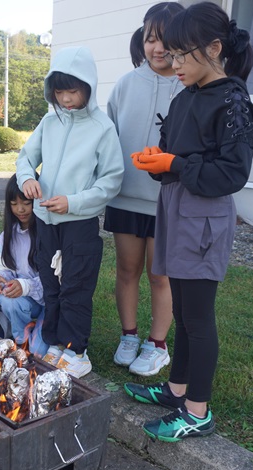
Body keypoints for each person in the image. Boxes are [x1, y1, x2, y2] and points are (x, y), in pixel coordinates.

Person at [124, 2, 253, 441]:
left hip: (203, 216)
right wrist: (156, 164)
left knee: (198, 318)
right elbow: (174, 156)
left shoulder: (233, 99)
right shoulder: (185, 98)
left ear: (214, 48)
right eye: (171, 54)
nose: (173, 63)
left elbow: (231, 175)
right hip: (173, 208)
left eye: (182, 54)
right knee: (182, 313)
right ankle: (176, 390)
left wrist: (175, 164)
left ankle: (197, 412)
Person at [17, 46, 124, 379]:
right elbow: (25, 156)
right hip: (46, 221)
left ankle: (77, 351)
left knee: (76, 285)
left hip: (79, 224)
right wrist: (27, 180)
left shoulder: (102, 127)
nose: (65, 98)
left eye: (73, 90)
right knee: (51, 284)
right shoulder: (50, 121)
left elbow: (111, 180)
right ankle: (54, 341)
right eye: (59, 91)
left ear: (89, 87)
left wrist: (73, 202)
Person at [106, 2, 185, 377]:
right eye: (152, 38)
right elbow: (107, 138)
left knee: (160, 275)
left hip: (167, 201)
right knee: (126, 270)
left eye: (167, 40)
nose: (159, 48)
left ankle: (157, 344)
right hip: (124, 197)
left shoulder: (189, 86)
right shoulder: (125, 84)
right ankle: (129, 335)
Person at [0, 175, 48, 357]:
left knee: (38, 353)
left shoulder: (48, 232)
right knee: (7, 299)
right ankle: (21, 338)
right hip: (28, 300)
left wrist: (25, 286)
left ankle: (38, 334)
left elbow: (54, 279)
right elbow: (4, 268)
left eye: (27, 203)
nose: (20, 209)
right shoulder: (9, 234)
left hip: (51, 301)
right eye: (14, 203)